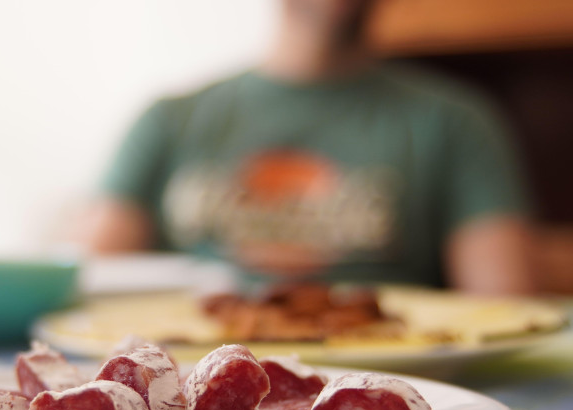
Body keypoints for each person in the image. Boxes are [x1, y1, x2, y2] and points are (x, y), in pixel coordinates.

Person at [79, 0, 535, 295]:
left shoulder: (456, 122)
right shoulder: (169, 119)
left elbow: (505, 308)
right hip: (195, 372)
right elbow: (90, 286)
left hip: (388, 381)